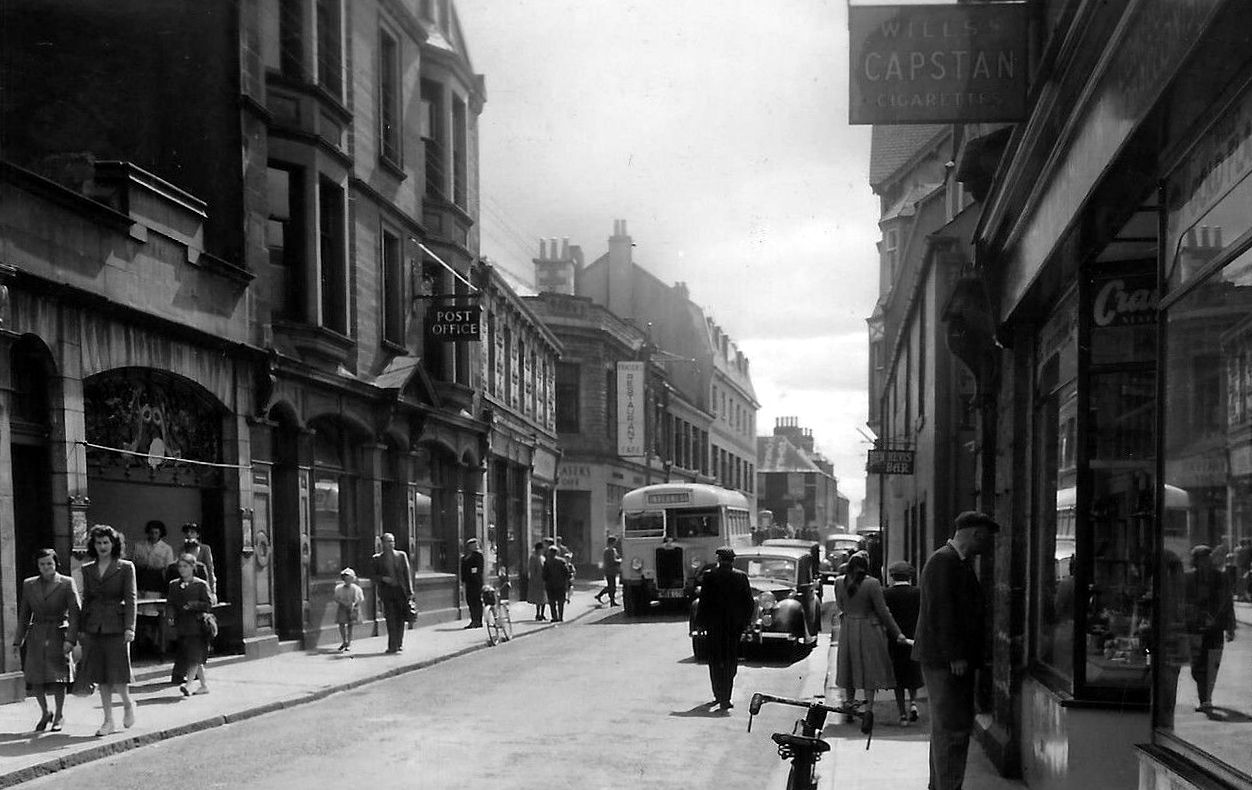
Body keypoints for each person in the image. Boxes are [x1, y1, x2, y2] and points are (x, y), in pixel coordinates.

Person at [912, 510, 999, 790]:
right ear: (975, 534)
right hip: (946, 662)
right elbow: (942, 613)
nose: (987, 546)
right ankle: (947, 786)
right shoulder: (944, 562)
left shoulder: (952, 561)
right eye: (985, 539)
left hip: (946, 660)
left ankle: (941, 785)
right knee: (952, 729)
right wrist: (956, 655)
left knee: (946, 729)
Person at [834, 552, 907, 734]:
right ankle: (868, 711)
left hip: (848, 628)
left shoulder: (839, 582)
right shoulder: (872, 584)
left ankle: (849, 708)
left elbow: (841, 606)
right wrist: (897, 633)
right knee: (869, 670)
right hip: (868, 629)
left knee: (848, 668)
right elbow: (883, 612)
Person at [11, 548, 80, 732]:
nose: (46, 567)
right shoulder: (29, 584)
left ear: (56, 563)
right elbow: (25, 614)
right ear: (38, 566)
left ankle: (59, 715)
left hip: (59, 633)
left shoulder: (66, 583)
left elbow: (75, 613)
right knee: (36, 678)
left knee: (58, 677)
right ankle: (45, 712)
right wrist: (18, 640)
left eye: (49, 563)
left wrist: (71, 639)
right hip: (37, 635)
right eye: (42, 564)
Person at [80, 524, 138, 736]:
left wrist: (130, 627)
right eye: (98, 542)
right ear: (93, 545)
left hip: (117, 625)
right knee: (101, 675)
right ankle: (108, 721)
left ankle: (127, 703)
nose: (102, 546)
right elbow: (86, 600)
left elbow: (131, 599)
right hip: (94, 625)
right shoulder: (88, 569)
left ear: (114, 544)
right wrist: (81, 628)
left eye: (106, 542)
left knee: (119, 673)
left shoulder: (125, 567)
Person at [695, 546, 754, 712]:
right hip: (733, 628)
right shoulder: (741, 577)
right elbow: (748, 603)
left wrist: (700, 624)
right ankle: (725, 698)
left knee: (714, 661)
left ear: (719, 560)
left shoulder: (710, 576)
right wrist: (746, 623)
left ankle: (717, 693)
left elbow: (703, 601)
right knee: (730, 661)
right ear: (733, 560)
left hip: (714, 627)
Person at [1184, 544, 1236, 712]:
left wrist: (1231, 626)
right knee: (1197, 666)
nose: (1205, 562)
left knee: (1212, 664)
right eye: (1201, 559)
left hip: (1215, 628)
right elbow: (1184, 603)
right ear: (1196, 561)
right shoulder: (1189, 579)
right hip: (1195, 629)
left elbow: (1228, 602)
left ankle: (1206, 699)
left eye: (1207, 558)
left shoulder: (1221, 578)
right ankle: (1203, 695)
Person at [166, 552, 215, 697]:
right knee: (193, 656)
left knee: (194, 656)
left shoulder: (200, 584)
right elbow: (170, 603)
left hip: (197, 625)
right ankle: (204, 685)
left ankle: (188, 685)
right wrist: (170, 616)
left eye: (185, 566)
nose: (182, 569)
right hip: (182, 626)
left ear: (193, 567)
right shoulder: (174, 585)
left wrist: (193, 605)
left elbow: (209, 604)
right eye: (180, 566)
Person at [883, 560, 923, 726]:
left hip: (895, 640)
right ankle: (913, 703)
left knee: (898, 679)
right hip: (914, 638)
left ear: (892, 577)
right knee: (913, 674)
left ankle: (902, 715)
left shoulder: (886, 594)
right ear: (910, 577)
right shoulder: (918, 593)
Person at [371, 532, 414, 654]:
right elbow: (373, 575)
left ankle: (399, 643)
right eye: (388, 541)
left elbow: (407, 573)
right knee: (390, 618)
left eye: (392, 541)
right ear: (382, 543)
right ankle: (392, 646)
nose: (391, 544)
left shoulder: (401, 555)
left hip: (401, 591)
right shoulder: (377, 558)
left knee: (400, 618)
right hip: (387, 592)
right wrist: (383, 578)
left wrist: (410, 592)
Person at [132, 520, 175, 595]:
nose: (153, 535)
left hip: (156, 580)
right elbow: (133, 562)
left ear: (160, 534)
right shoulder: (138, 546)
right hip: (140, 578)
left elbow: (168, 568)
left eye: (156, 533)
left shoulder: (166, 548)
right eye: (151, 533)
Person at [180, 522, 217, 596]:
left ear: (197, 535)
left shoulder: (204, 549)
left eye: (192, 532)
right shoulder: (182, 549)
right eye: (187, 532)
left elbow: (209, 569)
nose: (189, 535)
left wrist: (212, 591)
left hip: (201, 584)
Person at [333, 568, 364, 653]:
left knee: (350, 625)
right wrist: (342, 602)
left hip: (352, 608)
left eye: (349, 578)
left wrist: (354, 604)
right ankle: (344, 641)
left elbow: (360, 599)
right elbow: (336, 598)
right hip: (342, 607)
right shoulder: (339, 588)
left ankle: (349, 643)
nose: (347, 580)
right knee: (341, 624)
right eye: (345, 579)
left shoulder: (356, 589)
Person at [460, 538, 485, 629]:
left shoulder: (478, 555)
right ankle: (473, 620)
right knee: (470, 601)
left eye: (475, 544)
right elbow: (463, 568)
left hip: (476, 582)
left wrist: (474, 575)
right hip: (468, 582)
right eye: (472, 545)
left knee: (476, 601)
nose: (475, 546)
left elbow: (478, 569)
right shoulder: (465, 557)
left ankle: (478, 621)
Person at [542, 546, 570, 622]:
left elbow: (544, 574)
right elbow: (566, 572)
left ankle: (554, 617)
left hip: (550, 585)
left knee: (552, 602)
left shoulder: (547, 562)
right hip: (560, 584)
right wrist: (566, 581)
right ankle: (560, 617)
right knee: (561, 601)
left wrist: (545, 581)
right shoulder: (562, 561)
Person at [594, 535, 621, 606]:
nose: (615, 543)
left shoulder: (612, 550)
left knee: (612, 586)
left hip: (612, 570)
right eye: (615, 542)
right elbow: (612, 561)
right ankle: (608, 599)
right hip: (610, 570)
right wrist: (619, 561)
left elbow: (616, 557)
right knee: (611, 586)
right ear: (612, 542)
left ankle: (610, 600)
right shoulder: (609, 551)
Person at [526, 542, 548, 622]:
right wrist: (534, 579)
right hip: (537, 580)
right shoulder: (533, 557)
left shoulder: (542, 557)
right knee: (538, 598)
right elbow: (532, 570)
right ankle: (538, 613)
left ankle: (542, 614)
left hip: (543, 580)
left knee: (544, 598)